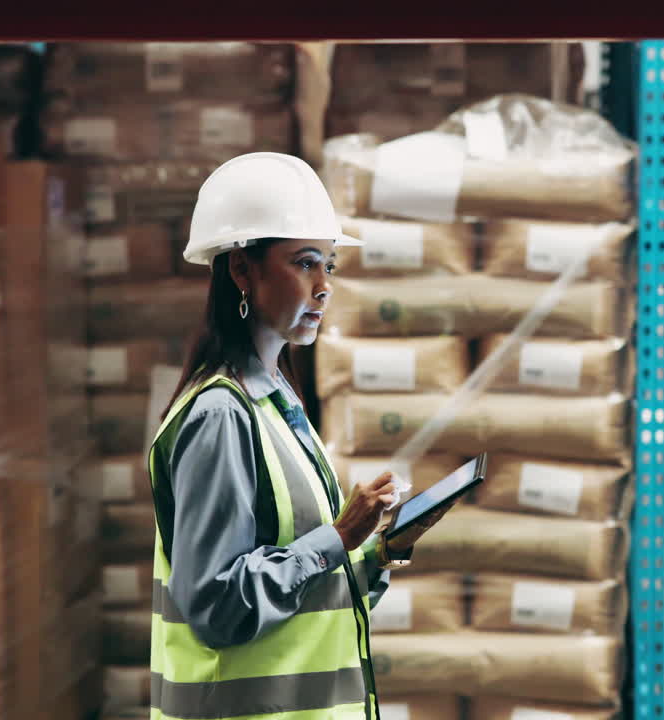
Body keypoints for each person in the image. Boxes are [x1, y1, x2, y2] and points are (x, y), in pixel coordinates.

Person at [146, 153, 443, 720]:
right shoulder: (220, 416)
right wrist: (337, 535)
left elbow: (304, 594)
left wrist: (379, 551)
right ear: (241, 269)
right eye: (305, 263)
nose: (324, 286)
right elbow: (216, 607)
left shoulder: (276, 404)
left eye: (329, 264)